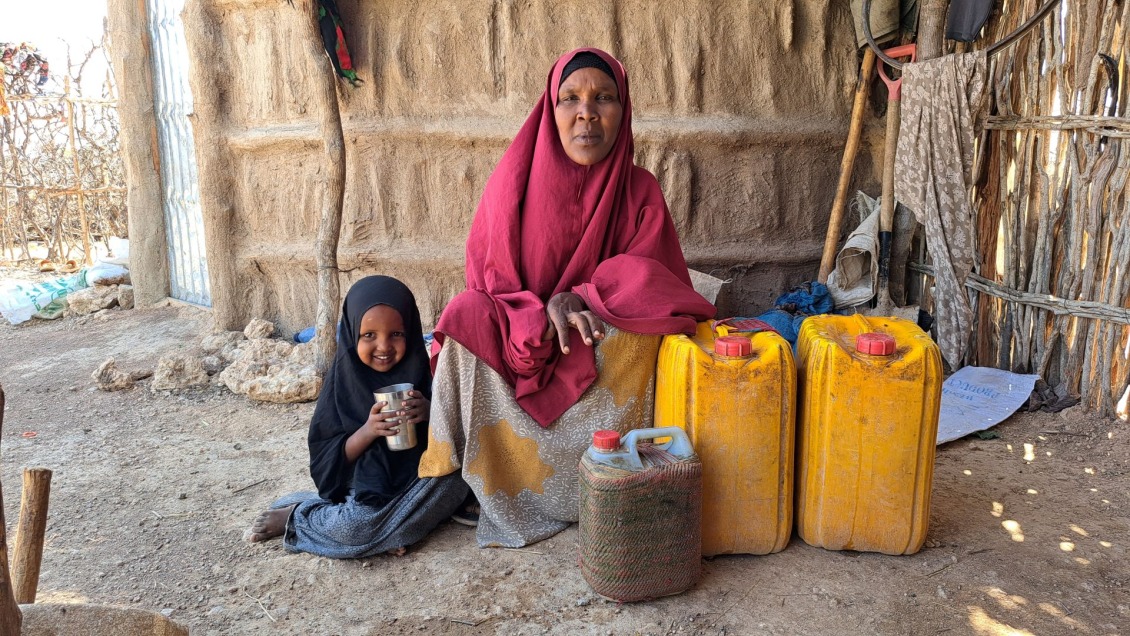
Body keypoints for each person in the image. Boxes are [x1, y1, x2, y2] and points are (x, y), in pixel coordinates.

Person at [418, 48, 716, 547]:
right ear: (549, 109)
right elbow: (489, 281)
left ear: (623, 110)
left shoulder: (640, 190)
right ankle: (480, 480)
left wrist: (581, 297)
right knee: (465, 315)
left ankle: (607, 475)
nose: (587, 113)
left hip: (595, 342)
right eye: (570, 99)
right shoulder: (513, 182)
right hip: (525, 338)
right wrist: (539, 312)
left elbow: (656, 279)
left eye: (604, 98)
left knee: (644, 332)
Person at [247, 275, 469, 557]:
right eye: (369, 335)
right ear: (353, 333)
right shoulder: (343, 382)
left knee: (460, 478)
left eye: (396, 334)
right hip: (365, 489)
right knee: (355, 529)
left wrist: (429, 411)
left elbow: (448, 441)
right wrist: (368, 431)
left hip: (416, 479)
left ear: (411, 332)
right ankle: (300, 515)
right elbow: (327, 462)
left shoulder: (420, 373)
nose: (384, 346)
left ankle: (389, 530)